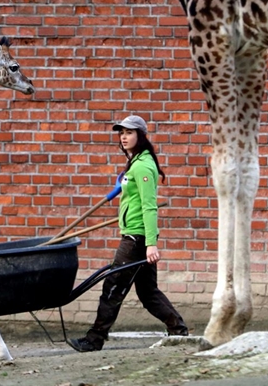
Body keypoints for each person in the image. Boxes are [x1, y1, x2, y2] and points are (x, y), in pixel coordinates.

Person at [68, 115, 189, 353]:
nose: (124, 136)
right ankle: (178, 330)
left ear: (141, 135)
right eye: (121, 132)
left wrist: (151, 244)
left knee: (113, 287)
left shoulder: (143, 165)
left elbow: (149, 206)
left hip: (136, 238)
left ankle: (95, 339)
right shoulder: (137, 162)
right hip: (137, 235)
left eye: (129, 132)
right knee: (148, 292)